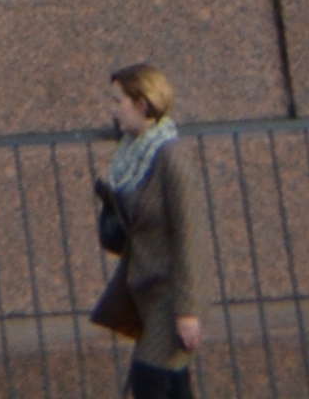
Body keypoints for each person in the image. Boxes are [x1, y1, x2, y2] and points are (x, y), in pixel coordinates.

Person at [92, 66, 208, 396]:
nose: (113, 110)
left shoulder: (170, 158)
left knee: (149, 379)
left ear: (142, 104)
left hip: (171, 297)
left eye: (119, 101)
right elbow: (128, 230)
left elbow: (189, 235)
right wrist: (107, 191)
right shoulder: (130, 155)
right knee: (171, 385)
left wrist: (187, 310)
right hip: (145, 289)